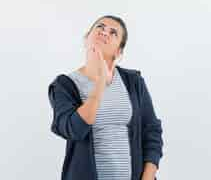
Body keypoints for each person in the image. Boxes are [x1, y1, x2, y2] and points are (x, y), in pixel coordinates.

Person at [48, 15, 164, 180]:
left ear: (118, 51)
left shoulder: (133, 82)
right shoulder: (64, 85)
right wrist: (101, 81)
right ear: (86, 38)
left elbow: (152, 131)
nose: (104, 32)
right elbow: (74, 130)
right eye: (100, 27)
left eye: (113, 32)